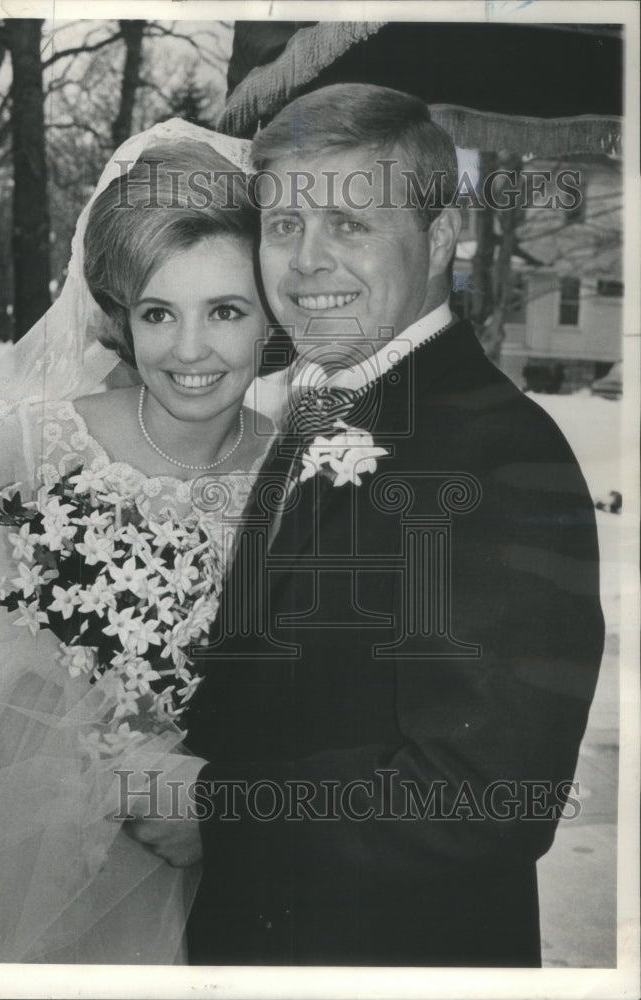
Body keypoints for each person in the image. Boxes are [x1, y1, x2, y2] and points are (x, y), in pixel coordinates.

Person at [126, 84, 605, 966]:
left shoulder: (499, 455)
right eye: (283, 226)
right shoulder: (318, 407)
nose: (305, 264)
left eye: (349, 226)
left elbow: (490, 793)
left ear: (441, 239)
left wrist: (221, 812)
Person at [0, 120, 275, 963]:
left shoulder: (299, 470)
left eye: (225, 310)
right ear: (122, 316)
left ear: (272, 316)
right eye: (159, 312)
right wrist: (92, 745)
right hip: (22, 836)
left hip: (220, 859)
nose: (190, 350)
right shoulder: (38, 444)